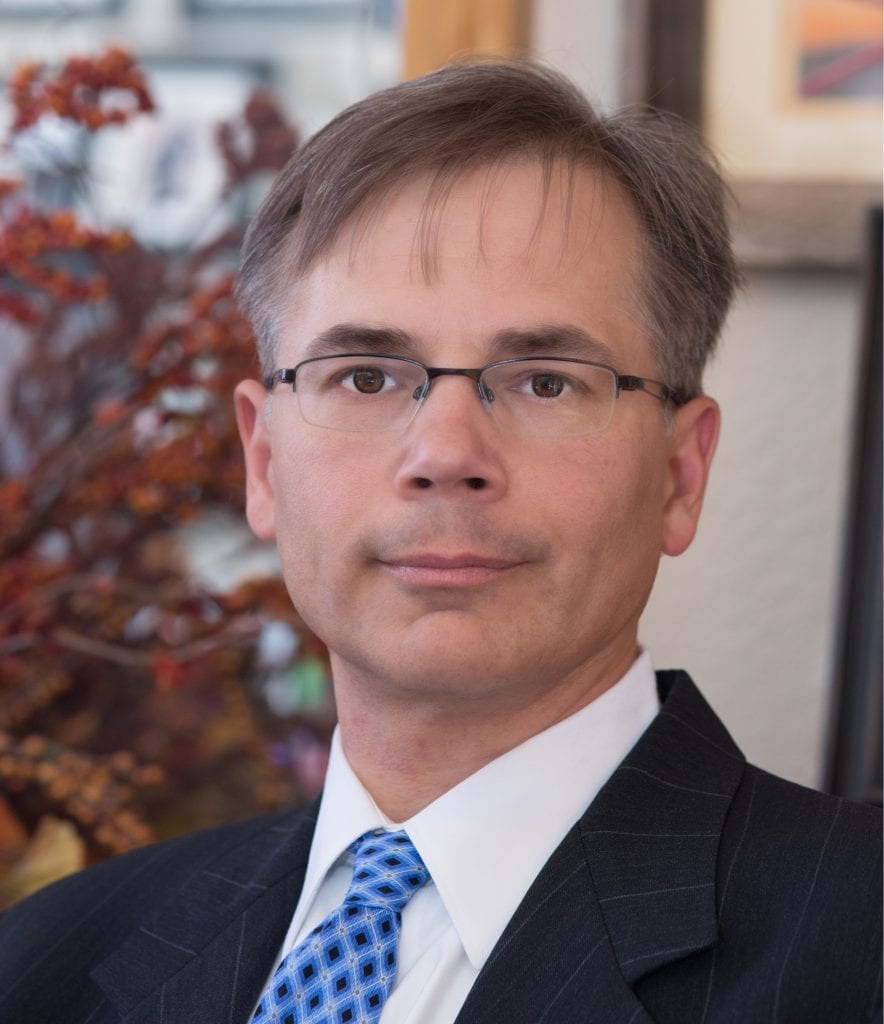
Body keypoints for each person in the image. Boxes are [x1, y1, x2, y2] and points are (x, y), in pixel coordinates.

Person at [0, 59, 880, 1024]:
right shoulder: (46, 958)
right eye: (367, 377)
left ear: (680, 473)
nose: (446, 455)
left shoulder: (857, 943)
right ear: (261, 462)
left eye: (545, 380)